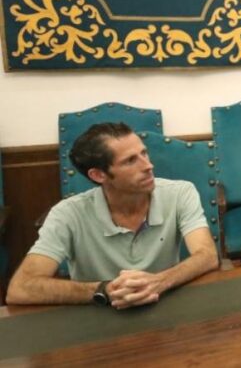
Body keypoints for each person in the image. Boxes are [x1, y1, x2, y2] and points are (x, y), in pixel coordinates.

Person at [6, 123, 218, 308]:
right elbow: (20, 289)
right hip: (98, 314)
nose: (148, 166)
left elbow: (207, 255)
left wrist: (159, 282)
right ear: (99, 175)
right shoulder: (67, 214)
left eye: (144, 153)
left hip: (165, 304)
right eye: (130, 161)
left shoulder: (180, 192)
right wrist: (104, 290)